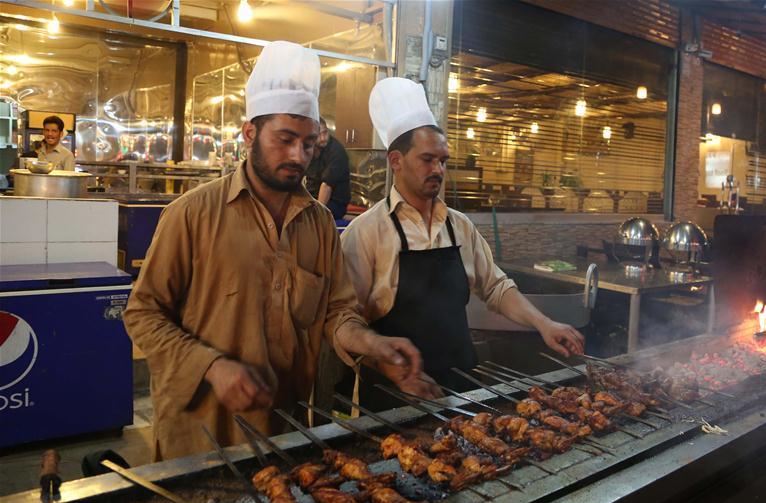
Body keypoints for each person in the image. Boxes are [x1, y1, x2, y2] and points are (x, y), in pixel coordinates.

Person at [123, 43, 436, 461]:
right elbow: (143, 314)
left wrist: (372, 345)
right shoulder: (192, 214)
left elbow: (336, 313)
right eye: (284, 140)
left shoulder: (320, 224)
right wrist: (211, 366)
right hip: (199, 434)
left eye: (308, 145)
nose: (298, 156)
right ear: (249, 133)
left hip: (283, 431)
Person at [340, 77, 584, 407]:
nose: (438, 170)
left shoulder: (459, 226)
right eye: (427, 159)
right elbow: (345, 323)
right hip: (391, 397)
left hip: (461, 389)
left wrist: (544, 323)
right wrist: (388, 365)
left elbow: (496, 287)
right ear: (395, 160)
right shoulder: (365, 233)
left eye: (443, 161)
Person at [304, 117, 351, 220]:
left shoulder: (336, 151)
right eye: (318, 135)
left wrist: (318, 216)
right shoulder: (309, 148)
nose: (323, 138)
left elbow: (326, 186)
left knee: (309, 219)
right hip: (313, 198)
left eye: (325, 133)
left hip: (334, 203)